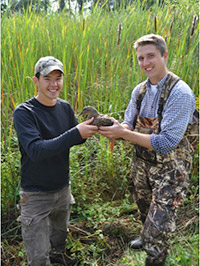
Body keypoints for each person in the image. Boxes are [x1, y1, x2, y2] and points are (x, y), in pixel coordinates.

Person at [98, 34, 196, 266]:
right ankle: (146, 235)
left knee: (158, 228)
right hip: (142, 164)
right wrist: (116, 127)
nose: (145, 63)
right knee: (144, 209)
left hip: (171, 169)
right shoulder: (140, 91)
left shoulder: (180, 93)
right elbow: (128, 123)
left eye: (151, 56)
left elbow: (166, 142)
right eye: (141, 58)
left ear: (164, 55)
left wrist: (124, 134)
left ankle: (155, 254)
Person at [13, 56, 98, 266]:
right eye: (47, 78)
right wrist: (76, 132)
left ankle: (59, 259)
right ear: (36, 81)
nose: (54, 84)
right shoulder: (24, 113)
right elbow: (36, 150)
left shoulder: (65, 107)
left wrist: (94, 128)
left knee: (59, 239)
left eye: (58, 78)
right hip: (35, 195)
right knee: (39, 258)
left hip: (62, 189)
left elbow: (75, 139)